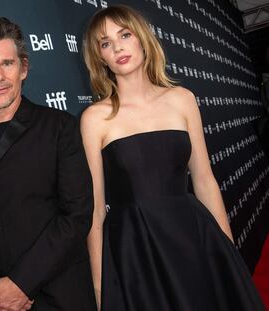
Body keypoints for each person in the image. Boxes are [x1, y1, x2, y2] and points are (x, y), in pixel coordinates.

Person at [81, 5, 265, 311]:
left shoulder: (182, 99)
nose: (117, 47)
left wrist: (228, 251)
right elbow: (96, 210)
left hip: (194, 236)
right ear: (100, 57)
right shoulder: (95, 118)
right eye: (105, 43)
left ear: (141, 39)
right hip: (138, 251)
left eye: (124, 34)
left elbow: (205, 181)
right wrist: (100, 286)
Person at [0, 17, 97, 311]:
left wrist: (22, 283)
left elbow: (76, 216)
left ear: (23, 68)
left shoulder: (59, 127)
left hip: (58, 293)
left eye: (7, 64)